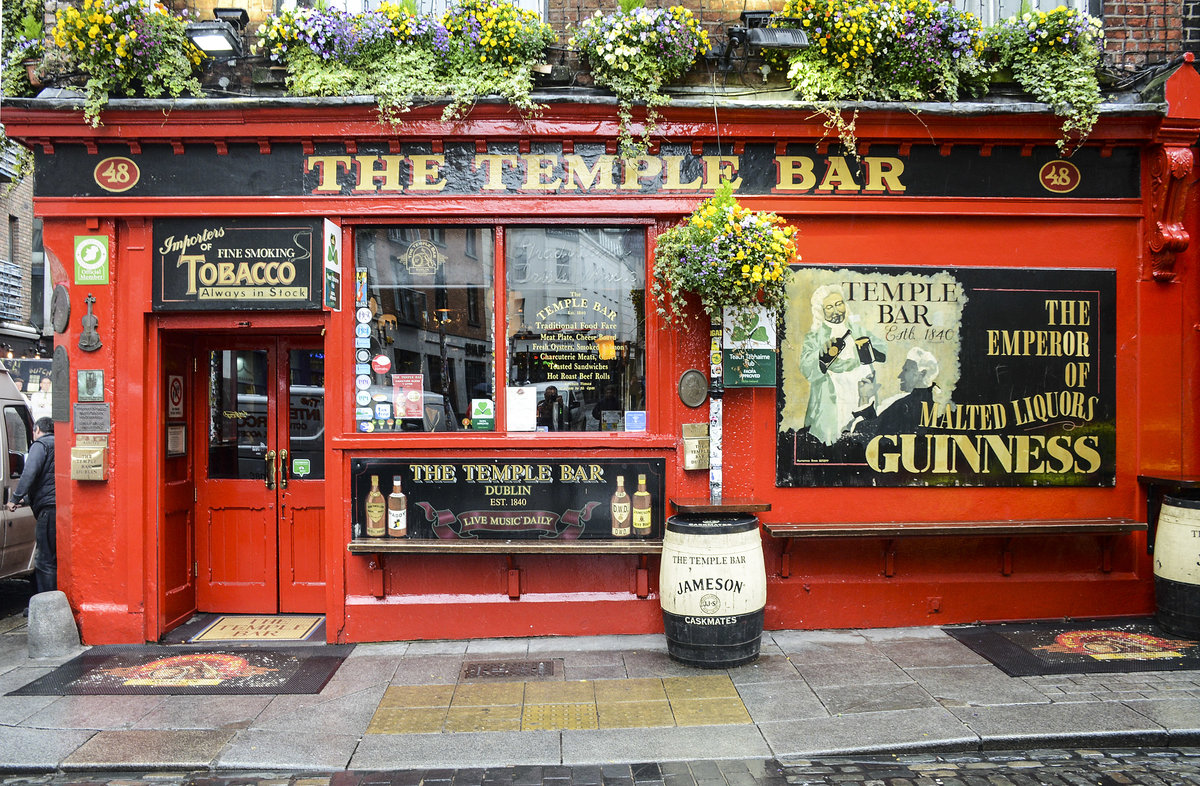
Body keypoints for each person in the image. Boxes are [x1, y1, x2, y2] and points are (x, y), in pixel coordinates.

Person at [799, 285, 886, 445]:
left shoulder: (857, 329)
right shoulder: (815, 336)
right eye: (829, 307)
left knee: (862, 436)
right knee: (836, 440)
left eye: (839, 304)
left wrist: (868, 350)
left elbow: (882, 350)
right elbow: (806, 368)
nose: (836, 310)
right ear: (821, 311)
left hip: (861, 392)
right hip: (834, 396)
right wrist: (821, 354)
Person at [7, 417, 55, 593]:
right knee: (55, 558)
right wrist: (25, 500)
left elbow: (30, 472)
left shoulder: (40, 445)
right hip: (60, 507)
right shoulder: (61, 443)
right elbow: (49, 480)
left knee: (44, 560)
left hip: (48, 509)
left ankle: (46, 604)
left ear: (37, 430)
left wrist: (14, 497)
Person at [858, 346, 940, 437]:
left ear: (922, 374)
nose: (900, 376)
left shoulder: (904, 406)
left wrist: (864, 398)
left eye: (906, 370)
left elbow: (869, 434)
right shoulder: (934, 403)